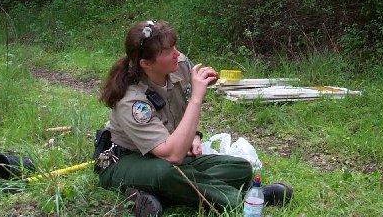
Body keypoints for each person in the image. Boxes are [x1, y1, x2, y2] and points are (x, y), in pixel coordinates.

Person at [96, 20, 291, 216]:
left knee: (240, 168)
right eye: (166, 51)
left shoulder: (178, 65)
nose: (176, 53)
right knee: (165, 173)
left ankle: (157, 195)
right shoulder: (132, 101)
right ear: (146, 64)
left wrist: (195, 135)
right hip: (127, 160)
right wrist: (197, 98)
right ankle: (246, 201)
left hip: (166, 153)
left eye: (174, 46)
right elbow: (171, 155)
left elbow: (180, 116)